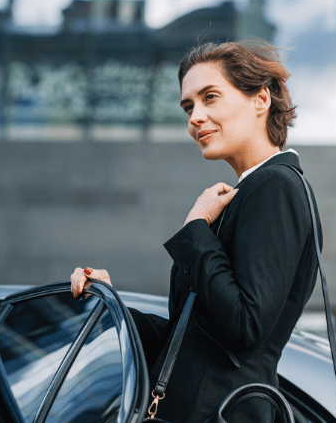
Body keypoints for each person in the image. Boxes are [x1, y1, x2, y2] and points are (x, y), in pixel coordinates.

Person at [70, 40, 322, 423]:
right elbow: (194, 339)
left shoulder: (276, 186)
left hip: (220, 412)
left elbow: (246, 326)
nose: (195, 117)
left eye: (210, 98)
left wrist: (196, 228)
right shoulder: (249, 192)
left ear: (260, 99)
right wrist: (107, 305)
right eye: (189, 106)